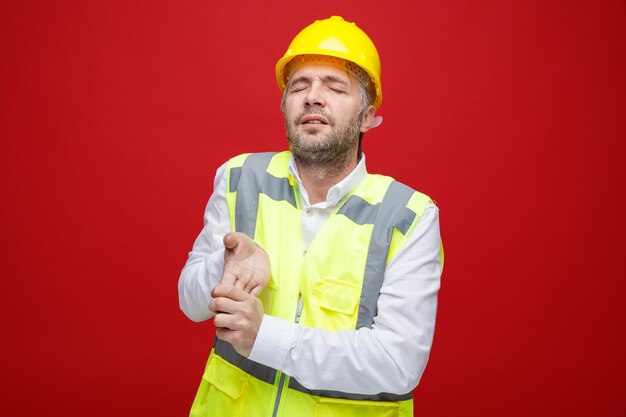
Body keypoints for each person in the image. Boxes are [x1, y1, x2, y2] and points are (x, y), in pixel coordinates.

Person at [178, 15, 443, 417]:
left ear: (367, 117)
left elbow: (397, 363)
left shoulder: (409, 217)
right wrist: (224, 265)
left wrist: (263, 337)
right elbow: (190, 303)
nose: (312, 97)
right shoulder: (238, 178)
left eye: (335, 87)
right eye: (299, 85)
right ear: (284, 105)